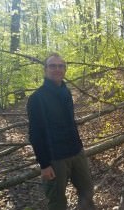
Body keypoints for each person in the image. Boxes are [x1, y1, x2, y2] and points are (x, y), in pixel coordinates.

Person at [27, 53, 95, 210]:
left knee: (87, 192)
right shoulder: (37, 98)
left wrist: (80, 147)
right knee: (57, 202)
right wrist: (44, 164)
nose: (57, 69)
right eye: (52, 66)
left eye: (60, 66)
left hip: (76, 153)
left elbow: (70, 123)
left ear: (64, 69)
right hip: (54, 159)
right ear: (45, 70)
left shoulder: (66, 92)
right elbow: (35, 134)